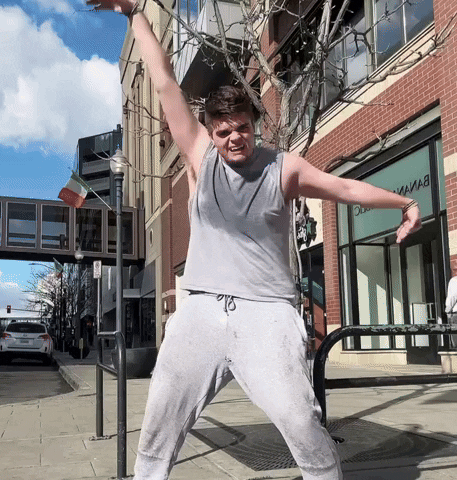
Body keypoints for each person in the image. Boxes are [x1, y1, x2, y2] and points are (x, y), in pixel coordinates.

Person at [86, 1, 422, 478]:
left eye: (242, 128)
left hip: (267, 313)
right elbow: (164, 82)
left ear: (254, 125)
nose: (234, 138)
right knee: (161, 416)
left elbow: (345, 188)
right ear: (211, 133)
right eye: (224, 132)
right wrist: (132, 13)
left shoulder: (283, 168)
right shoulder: (200, 157)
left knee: (299, 418)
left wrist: (404, 202)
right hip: (202, 309)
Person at [445, 259, 457, 349]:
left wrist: (447, 311)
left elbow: (453, 297)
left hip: (455, 313)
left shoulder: (454, 281)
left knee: (455, 338)